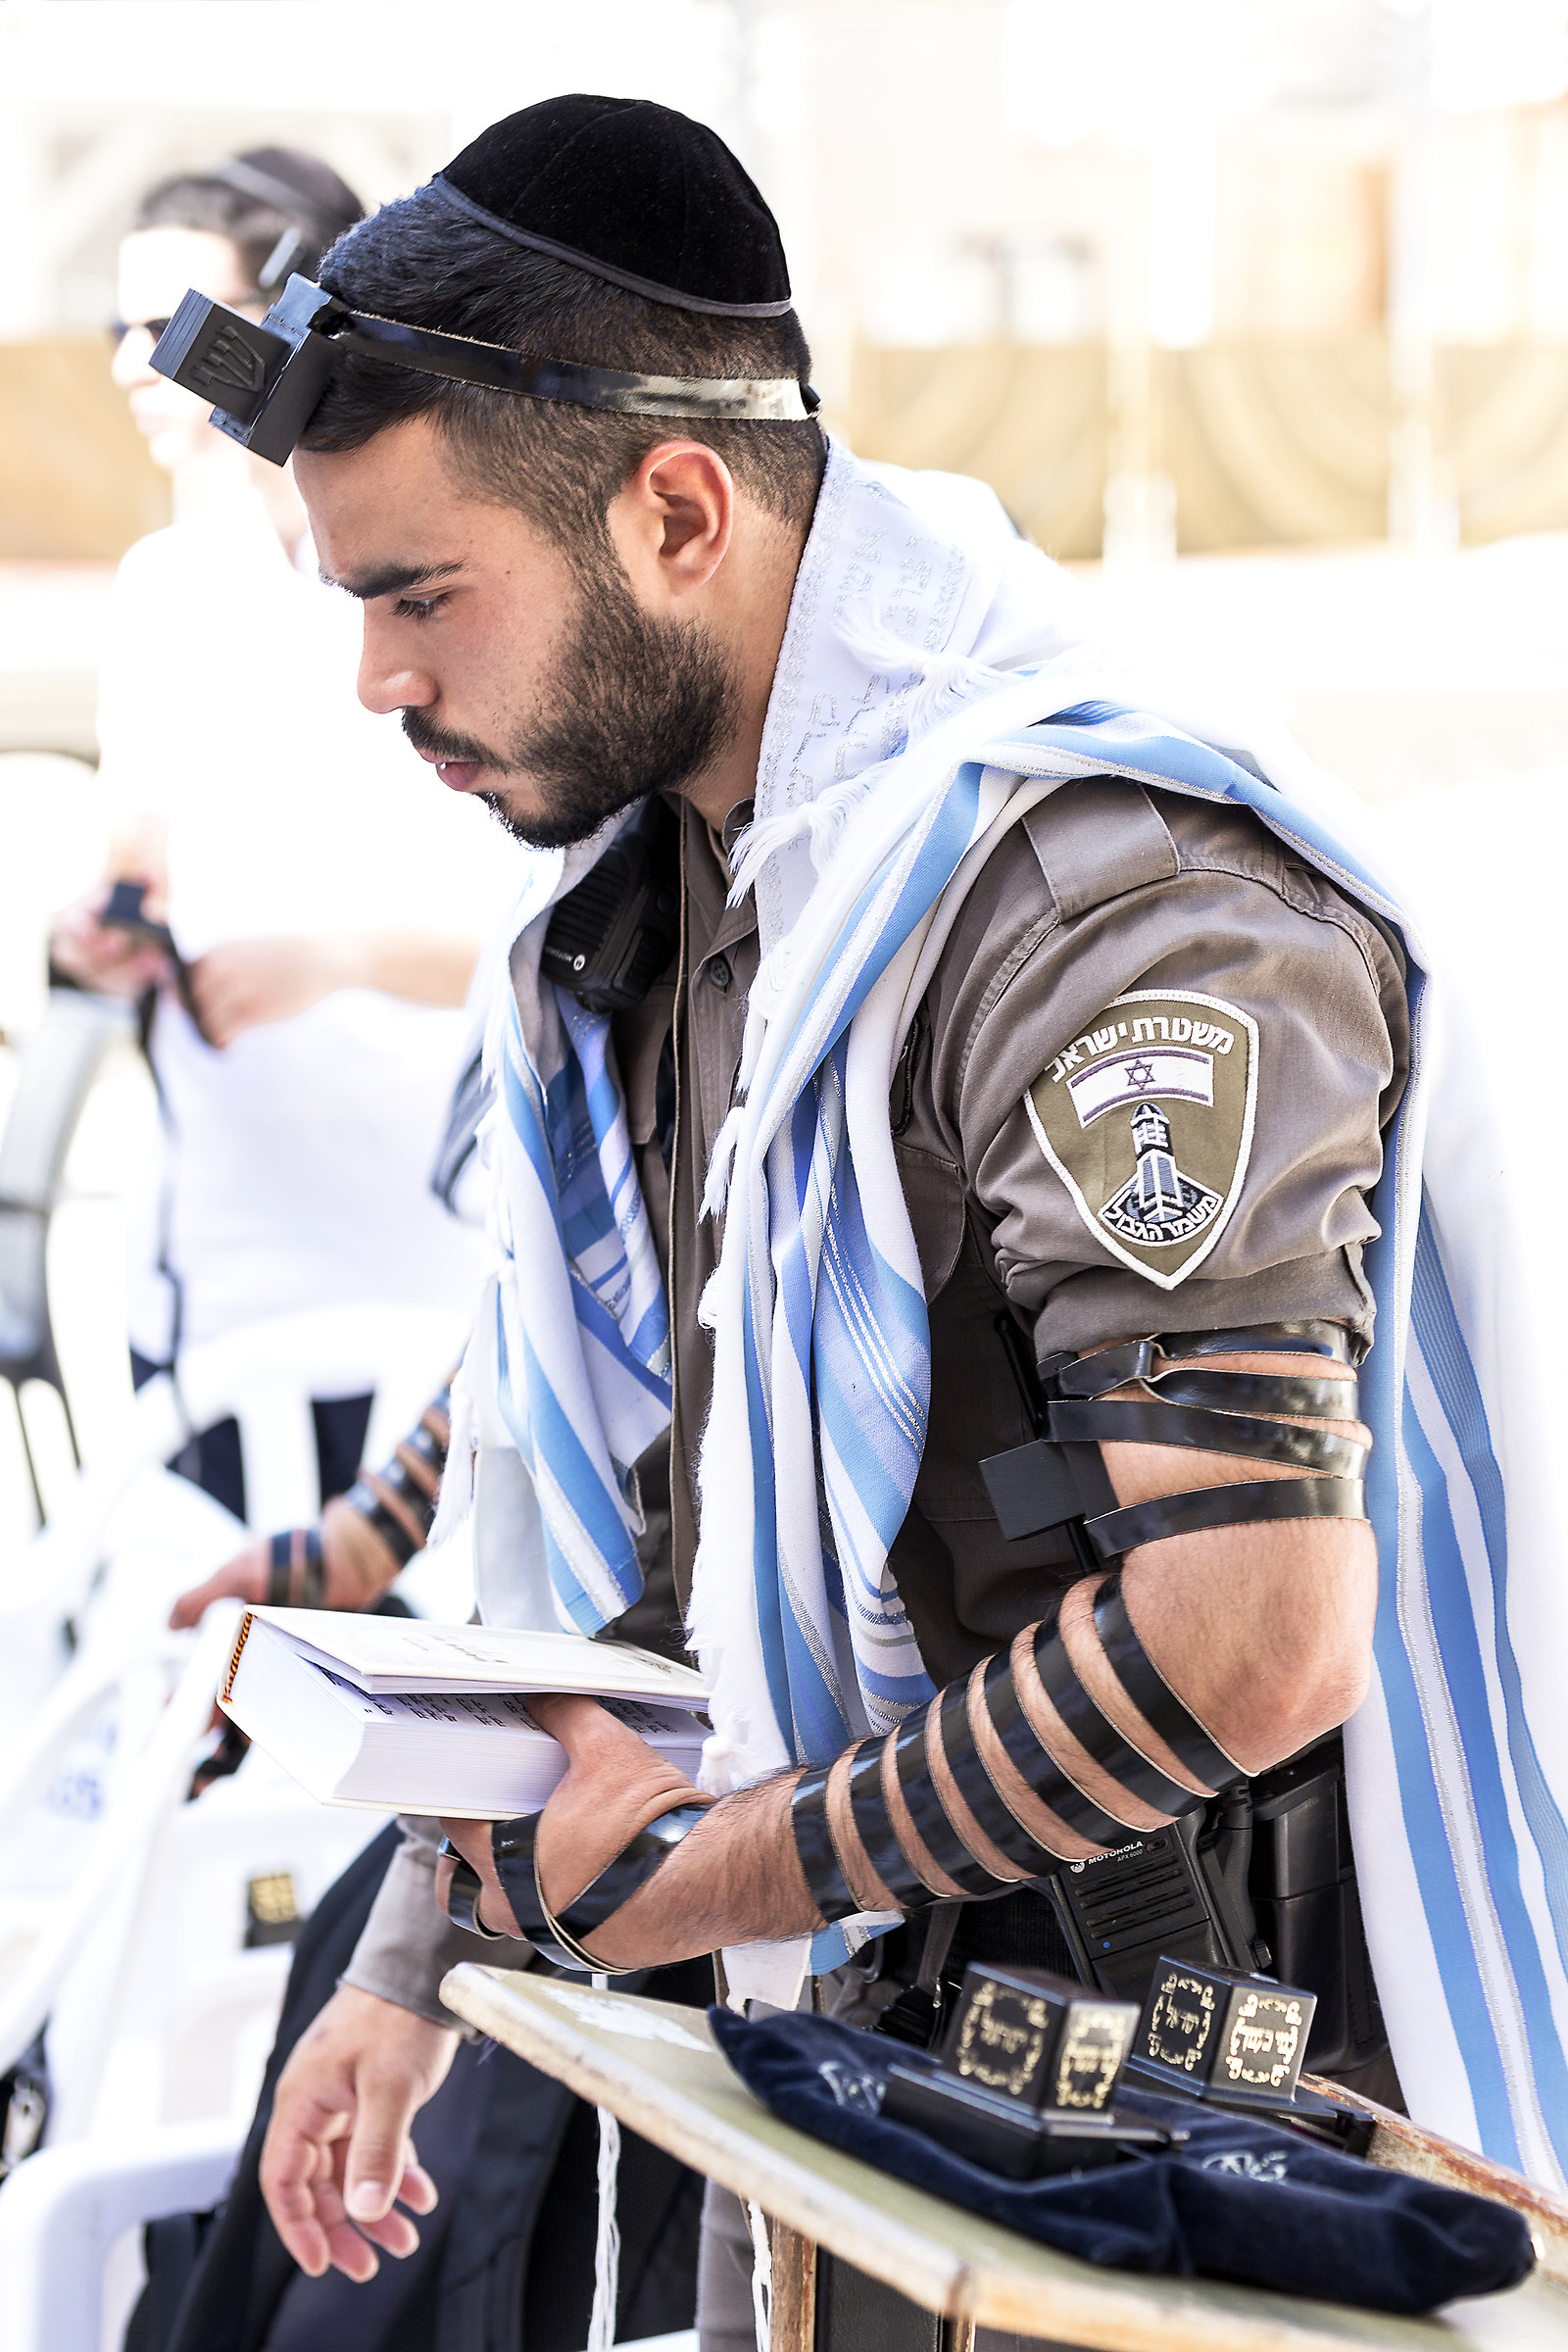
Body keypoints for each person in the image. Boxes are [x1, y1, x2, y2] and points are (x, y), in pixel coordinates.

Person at [152, 93, 1562, 2339]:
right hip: (825, 2098)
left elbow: (1249, 1627)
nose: (377, 686)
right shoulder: (659, 912)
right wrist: (423, 1948)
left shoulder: (1102, 909)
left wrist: (723, 1871)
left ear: (679, 507)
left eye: (420, 595)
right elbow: (632, 1484)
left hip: (1164, 2171)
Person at [50, 148, 519, 1526]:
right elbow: (137, 850)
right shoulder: (167, 589)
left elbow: (543, 940)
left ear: (290, 318)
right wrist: (101, 925)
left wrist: (331, 960)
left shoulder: (440, 591)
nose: (140, 365)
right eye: (118, 328)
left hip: (435, 1273)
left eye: (170, 323)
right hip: (215, 1266)